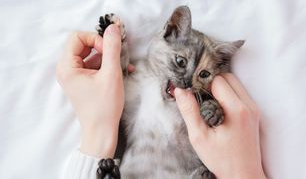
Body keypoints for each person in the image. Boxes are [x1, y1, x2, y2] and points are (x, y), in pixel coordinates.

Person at [56, 24, 267, 179]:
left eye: (202, 74)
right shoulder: (147, 79)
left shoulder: (193, 104)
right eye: (181, 62)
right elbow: (121, 95)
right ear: (168, 32)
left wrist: (211, 109)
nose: (186, 81)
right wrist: (118, 51)